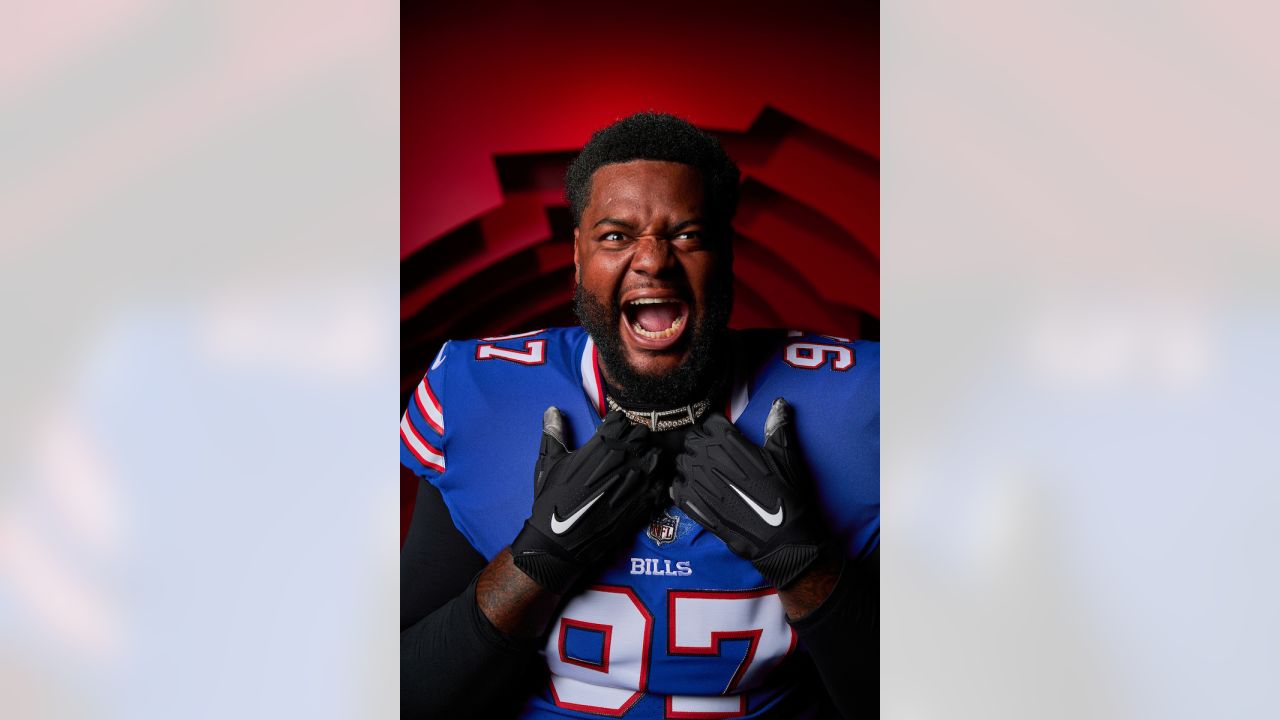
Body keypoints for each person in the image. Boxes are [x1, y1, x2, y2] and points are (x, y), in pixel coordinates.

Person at [400, 112, 878, 719]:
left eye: (687, 235)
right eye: (616, 236)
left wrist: (804, 563)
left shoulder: (860, 403)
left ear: (726, 253)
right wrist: (535, 565)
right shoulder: (481, 393)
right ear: (578, 255)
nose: (653, 261)